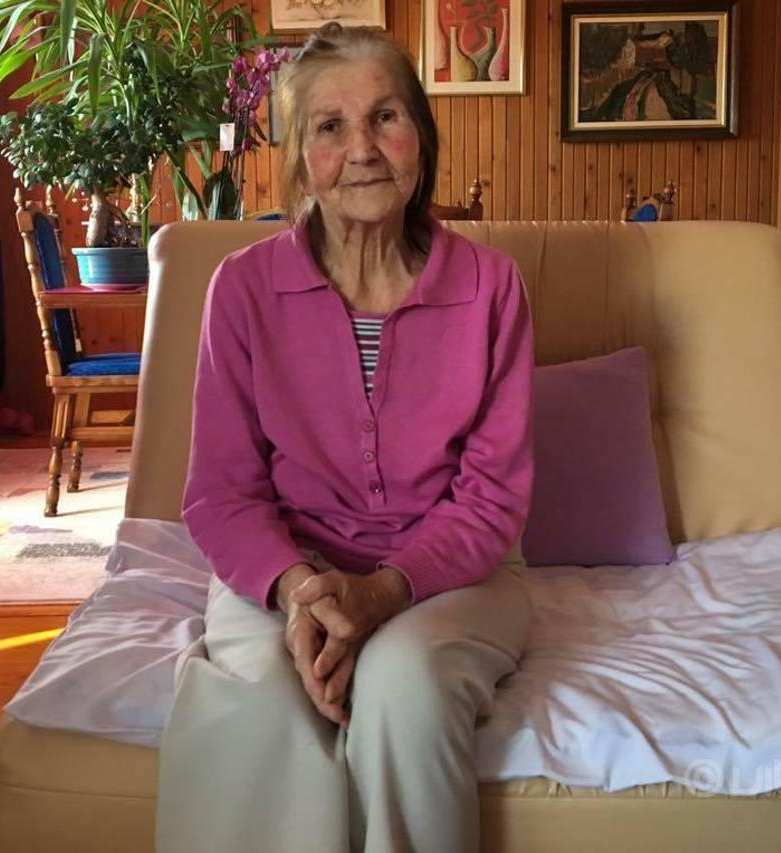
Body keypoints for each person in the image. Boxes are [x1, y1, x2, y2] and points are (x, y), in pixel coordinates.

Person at [156, 23, 534, 853]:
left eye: (386, 117)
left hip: (457, 577)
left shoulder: (491, 286)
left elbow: (492, 498)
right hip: (285, 568)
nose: (362, 149)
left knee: (408, 684)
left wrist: (383, 592)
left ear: (421, 139)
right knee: (259, 698)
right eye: (330, 126)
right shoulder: (242, 289)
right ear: (300, 159)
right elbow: (221, 493)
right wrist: (303, 592)